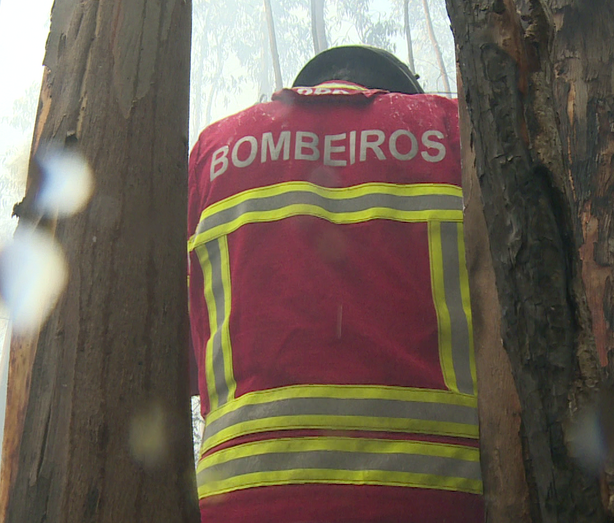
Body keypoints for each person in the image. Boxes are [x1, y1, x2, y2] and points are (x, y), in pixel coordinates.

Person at [187, 46, 483, 523]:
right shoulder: (452, 131)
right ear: (398, 91)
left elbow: (178, 358)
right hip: (438, 496)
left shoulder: (214, 151)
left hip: (242, 504)